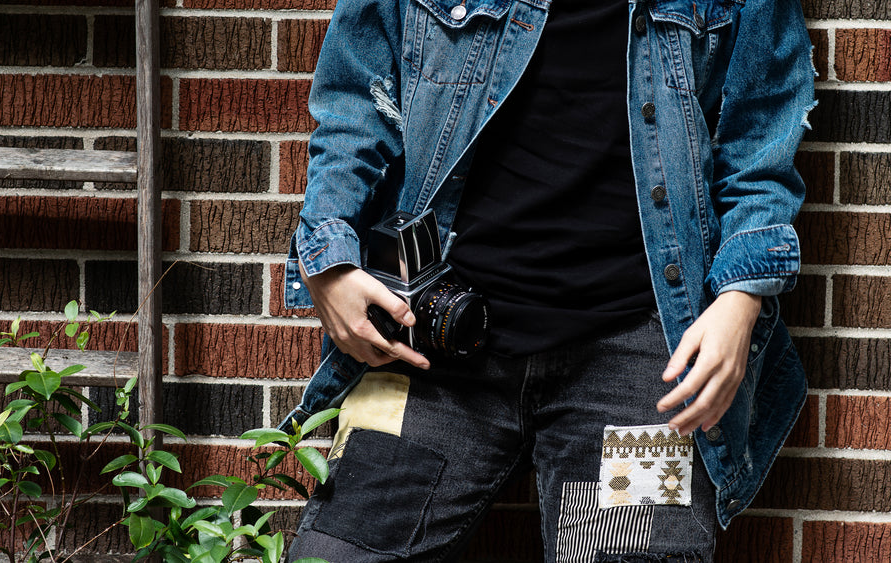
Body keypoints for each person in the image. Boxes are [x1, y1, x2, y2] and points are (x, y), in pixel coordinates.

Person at [279, 0, 816, 559]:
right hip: (431, 333)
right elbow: (354, 100)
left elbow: (762, 134)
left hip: (639, 356)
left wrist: (740, 297)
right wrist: (330, 257)